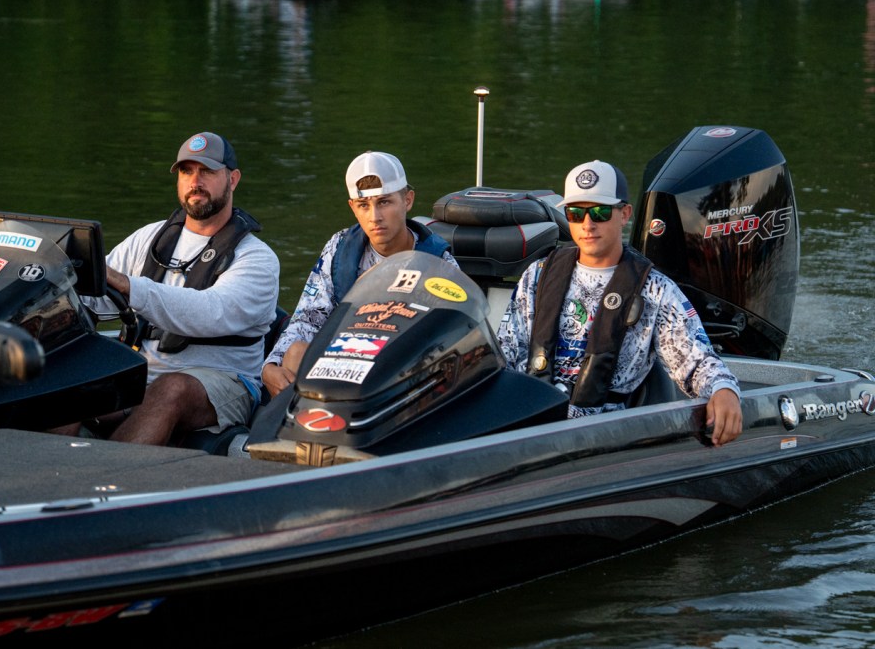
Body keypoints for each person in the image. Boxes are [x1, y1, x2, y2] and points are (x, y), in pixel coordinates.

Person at [495, 160, 743, 446]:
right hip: (532, 425)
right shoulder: (537, 275)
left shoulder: (655, 289)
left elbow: (696, 360)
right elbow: (506, 353)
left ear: (624, 214)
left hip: (607, 437)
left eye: (600, 212)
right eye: (576, 213)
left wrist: (724, 390)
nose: (588, 224)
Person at [67, 132, 280, 446]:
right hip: (141, 372)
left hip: (225, 382)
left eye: (207, 171)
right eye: (186, 171)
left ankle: (109, 471)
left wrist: (130, 286)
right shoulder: (150, 237)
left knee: (172, 388)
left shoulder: (258, 258)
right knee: (67, 378)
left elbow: (209, 312)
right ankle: (42, 468)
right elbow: (97, 294)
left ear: (233, 179)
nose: (195, 181)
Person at [262, 150, 456, 399]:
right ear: (353, 208)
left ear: (407, 200)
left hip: (402, 371)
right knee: (296, 353)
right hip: (345, 363)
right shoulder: (338, 248)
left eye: (384, 202)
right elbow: (308, 318)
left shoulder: (438, 262)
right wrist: (272, 364)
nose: (375, 217)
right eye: (364, 205)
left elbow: (451, 337)